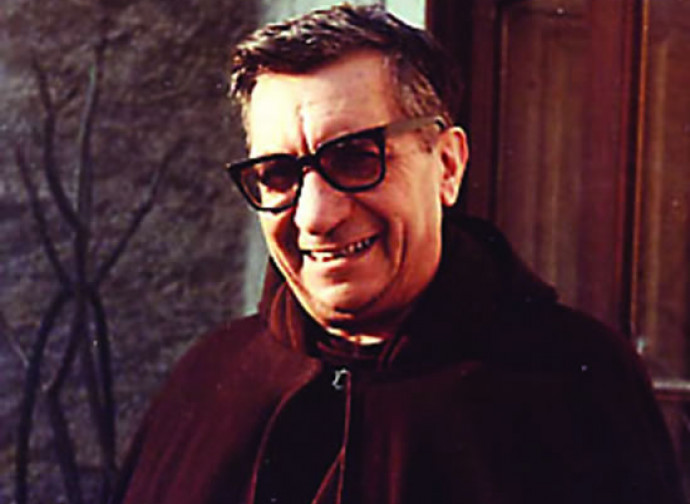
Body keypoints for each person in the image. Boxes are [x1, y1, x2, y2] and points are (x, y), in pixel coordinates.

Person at [111, 4, 685, 504]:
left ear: (448, 166)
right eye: (279, 174)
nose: (315, 216)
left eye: (356, 158)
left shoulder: (576, 386)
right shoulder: (210, 380)